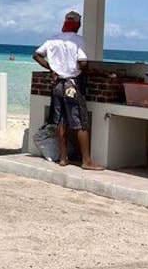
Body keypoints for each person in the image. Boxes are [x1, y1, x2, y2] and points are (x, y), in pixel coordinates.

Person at [32, 11, 103, 171]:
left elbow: (36, 55)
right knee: (80, 122)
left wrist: (52, 68)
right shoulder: (78, 40)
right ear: (78, 24)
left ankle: (63, 158)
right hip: (72, 84)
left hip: (57, 83)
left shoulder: (53, 40)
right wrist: (84, 69)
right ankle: (86, 161)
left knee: (61, 120)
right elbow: (83, 63)